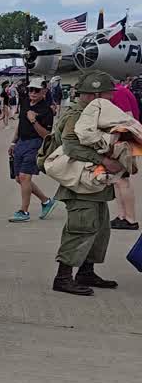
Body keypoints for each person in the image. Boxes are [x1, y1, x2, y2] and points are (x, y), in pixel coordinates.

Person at [50, 70, 122, 296]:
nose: (112, 100)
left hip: (94, 186)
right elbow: (71, 146)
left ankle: (86, 272)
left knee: (99, 230)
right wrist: (103, 160)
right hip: (81, 186)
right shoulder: (78, 115)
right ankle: (63, 278)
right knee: (80, 230)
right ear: (95, 94)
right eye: (109, 96)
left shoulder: (93, 113)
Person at [8, 78, 57, 223]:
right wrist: (13, 142)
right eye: (31, 90)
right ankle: (46, 201)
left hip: (35, 144)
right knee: (19, 178)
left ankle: (24, 211)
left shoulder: (46, 110)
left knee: (24, 177)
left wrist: (34, 121)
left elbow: (46, 135)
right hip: (21, 142)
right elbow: (20, 124)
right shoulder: (25, 103)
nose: (33, 93)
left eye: (37, 90)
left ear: (44, 92)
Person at [110, 80, 140, 230]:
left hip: (123, 143)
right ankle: (123, 216)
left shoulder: (118, 93)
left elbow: (127, 119)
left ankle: (130, 218)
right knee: (118, 181)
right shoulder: (119, 91)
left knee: (122, 181)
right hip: (123, 142)